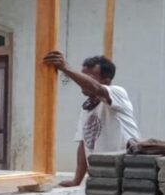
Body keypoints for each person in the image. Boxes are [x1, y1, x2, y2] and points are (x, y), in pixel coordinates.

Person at [43, 51, 140, 187]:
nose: (81, 81)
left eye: (87, 77)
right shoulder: (87, 108)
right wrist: (76, 180)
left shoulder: (118, 93)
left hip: (125, 173)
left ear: (106, 81)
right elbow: (84, 145)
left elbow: (96, 88)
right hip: (101, 176)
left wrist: (65, 68)